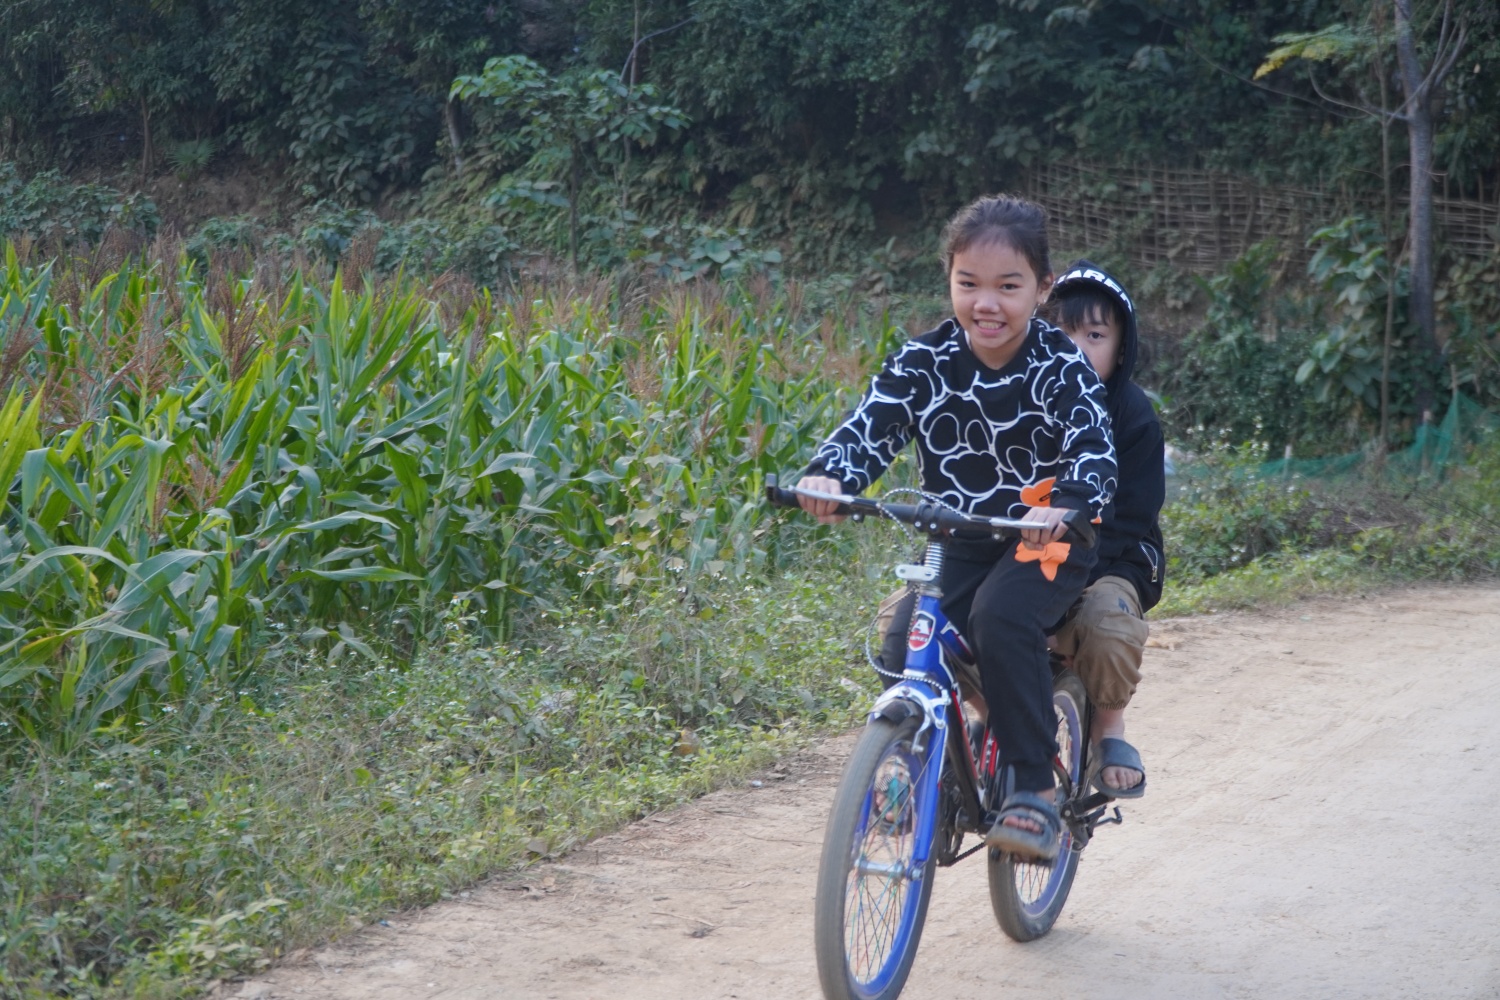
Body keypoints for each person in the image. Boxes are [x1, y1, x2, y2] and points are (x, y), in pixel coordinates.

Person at [795, 195, 1117, 862]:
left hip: (1047, 542)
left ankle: (1033, 789)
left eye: (1008, 286)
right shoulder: (924, 361)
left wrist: (1068, 501)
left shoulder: (1061, 365)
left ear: (1042, 289)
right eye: (968, 284)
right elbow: (870, 427)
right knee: (901, 642)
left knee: (1001, 618)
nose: (987, 304)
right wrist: (830, 475)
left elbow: (1094, 451)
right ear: (948, 279)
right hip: (958, 539)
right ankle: (915, 766)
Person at [1046, 259, 1165, 800]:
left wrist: (1065, 574)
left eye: (1094, 336)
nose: (1075, 349)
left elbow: (1132, 517)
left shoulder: (1133, 416)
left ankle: (1107, 729)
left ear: (1122, 349)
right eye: (1061, 334)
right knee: (916, 624)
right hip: (1023, 557)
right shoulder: (1018, 403)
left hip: (1108, 561)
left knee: (1107, 623)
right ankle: (964, 729)